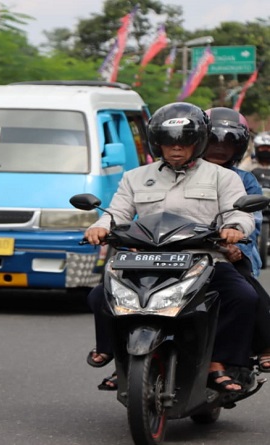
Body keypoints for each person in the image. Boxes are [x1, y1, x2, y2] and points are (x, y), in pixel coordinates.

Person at [84, 102, 259, 394]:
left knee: (244, 297)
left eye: (184, 142)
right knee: (99, 295)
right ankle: (118, 355)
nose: (176, 148)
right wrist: (99, 227)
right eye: (168, 142)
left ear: (198, 142)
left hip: (203, 259)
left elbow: (239, 213)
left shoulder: (223, 177)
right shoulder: (135, 177)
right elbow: (116, 214)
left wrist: (234, 228)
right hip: (146, 259)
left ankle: (218, 362)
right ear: (157, 144)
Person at [203, 107, 263, 278]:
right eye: (213, 141)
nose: (220, 148)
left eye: (229, 142)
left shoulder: (246, 180)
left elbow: (251, 223)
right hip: (183, 252)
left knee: (248, 293)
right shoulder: (182, 172)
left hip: (230, 254)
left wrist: (236, 247)